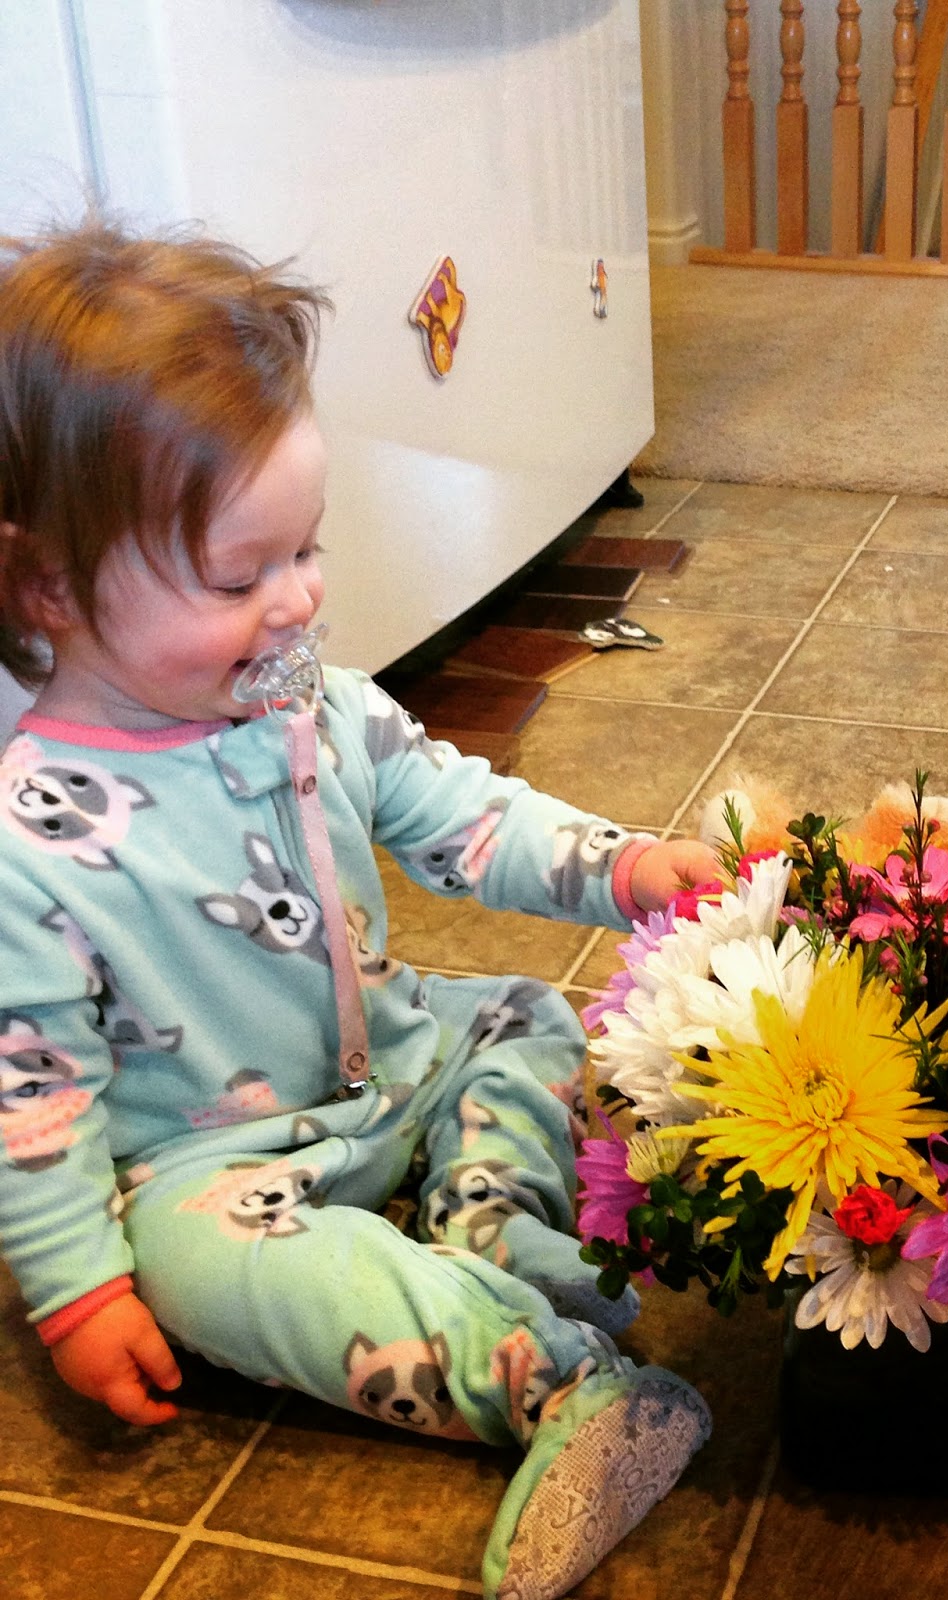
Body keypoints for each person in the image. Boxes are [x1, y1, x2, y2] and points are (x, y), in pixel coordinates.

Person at [0, 220, 722, 1600]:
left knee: (525, 1016)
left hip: (399, 1056)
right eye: (240, 577)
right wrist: (77, 1288)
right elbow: (33, 1105)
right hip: (213, 1163)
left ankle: (493, 1222)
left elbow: (468, 820)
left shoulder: (315, 704)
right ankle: (551, 1378)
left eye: (306, 549)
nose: (297, 601)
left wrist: (628, 867)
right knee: (193, 1270)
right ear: (48, 586)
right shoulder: (28, 845)